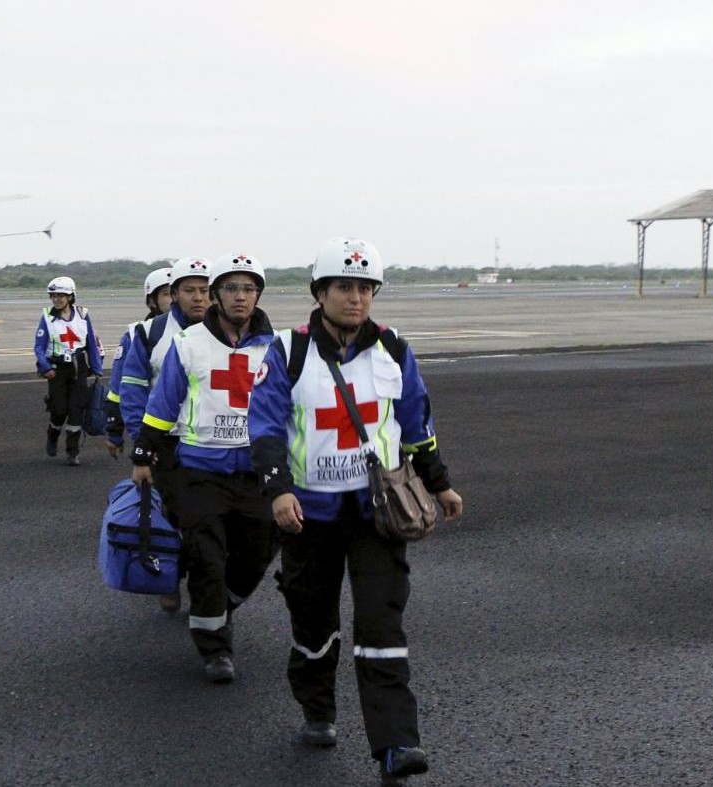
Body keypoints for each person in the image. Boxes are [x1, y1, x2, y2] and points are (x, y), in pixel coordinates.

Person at [248, 238, 464, 784]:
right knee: (313, 624)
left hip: (378, 513)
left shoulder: (393, 348)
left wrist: (439, 485)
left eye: (366, 288)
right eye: (345, 287)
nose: (357, 297)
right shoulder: (287, 351)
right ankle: (317, 709)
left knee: (381, 622)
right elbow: (267, 426)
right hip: (309, 516)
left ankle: (396, 744)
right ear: (320, 293)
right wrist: (278, 490)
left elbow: (416, 423)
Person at [131, 254, 275, 684]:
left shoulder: (277, 348)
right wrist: (143, 455)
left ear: (257, 296)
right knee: (207, 560)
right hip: (200, 471)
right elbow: (164, 404)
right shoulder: (189, 343)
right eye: (231, 288)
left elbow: (292, 406)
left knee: (257, 555)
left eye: (248, 289)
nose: (240, 296)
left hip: (255, 473)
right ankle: (215, 649)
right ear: (217, 295)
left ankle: (222, 606)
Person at [118, 256, 214, 613]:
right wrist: (141, 444)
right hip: (166, 444)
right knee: (176, 517)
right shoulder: (150, 334)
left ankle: (206, 591)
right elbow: (131, 391)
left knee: (209, 521)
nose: (199, 298)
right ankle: (171, 578)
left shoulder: (227, 335)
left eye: (205, 290)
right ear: (173, 294)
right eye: (190, 290)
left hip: (211, 444)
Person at [33, 276, 103, 465]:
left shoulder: (82, 315)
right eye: (53, 295)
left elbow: (92, 343)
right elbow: (39, 347)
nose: (56, 299)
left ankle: (73, 452)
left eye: (61, 295)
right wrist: (45, 367)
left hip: (79, 367)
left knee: (76, 410)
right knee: (59, 410)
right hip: (57, 370)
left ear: (70, 296)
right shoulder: (47, 317)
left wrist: (96, 367)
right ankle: (52, 436)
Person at [105, 267, 172, 459]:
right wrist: (115, 432)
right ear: (152, 300)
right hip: (154, 432)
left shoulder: (204, 332)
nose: (175, 299)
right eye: (167, 294)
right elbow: (118, 390)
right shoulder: (136, 335)